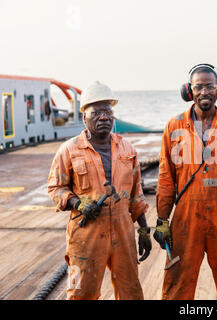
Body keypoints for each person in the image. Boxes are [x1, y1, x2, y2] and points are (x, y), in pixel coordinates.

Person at [155, 64, 217, 299]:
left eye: (210, 86)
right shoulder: (174, 127)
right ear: (188, 91)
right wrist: (162, 220)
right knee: (177, 285)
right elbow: (165, 177)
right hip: (185, 220)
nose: (204, 92)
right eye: (198, 86)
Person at [47, 81, 151, 300]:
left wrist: (143, 229)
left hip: (123, 234)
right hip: (86, 236)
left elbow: (136, 194)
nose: (104, 117)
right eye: (96, 112)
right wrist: (78, 203)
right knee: (81, 293)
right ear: (84, 117)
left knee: (131, 292)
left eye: (108, 111)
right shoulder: (70, 149)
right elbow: (55, 188)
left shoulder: (127, 149)